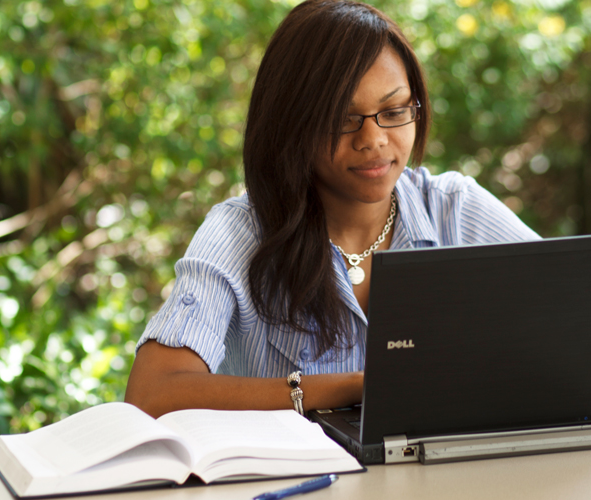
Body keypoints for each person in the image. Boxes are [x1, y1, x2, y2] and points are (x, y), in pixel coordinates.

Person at [124, 0, 540, 418]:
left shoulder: (455, 209)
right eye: (343, 119)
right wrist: (353, 387)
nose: (374, 139)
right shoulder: (240, 232)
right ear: (291, 125)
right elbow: (154, 394)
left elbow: (568, 326)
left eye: (394, 112)